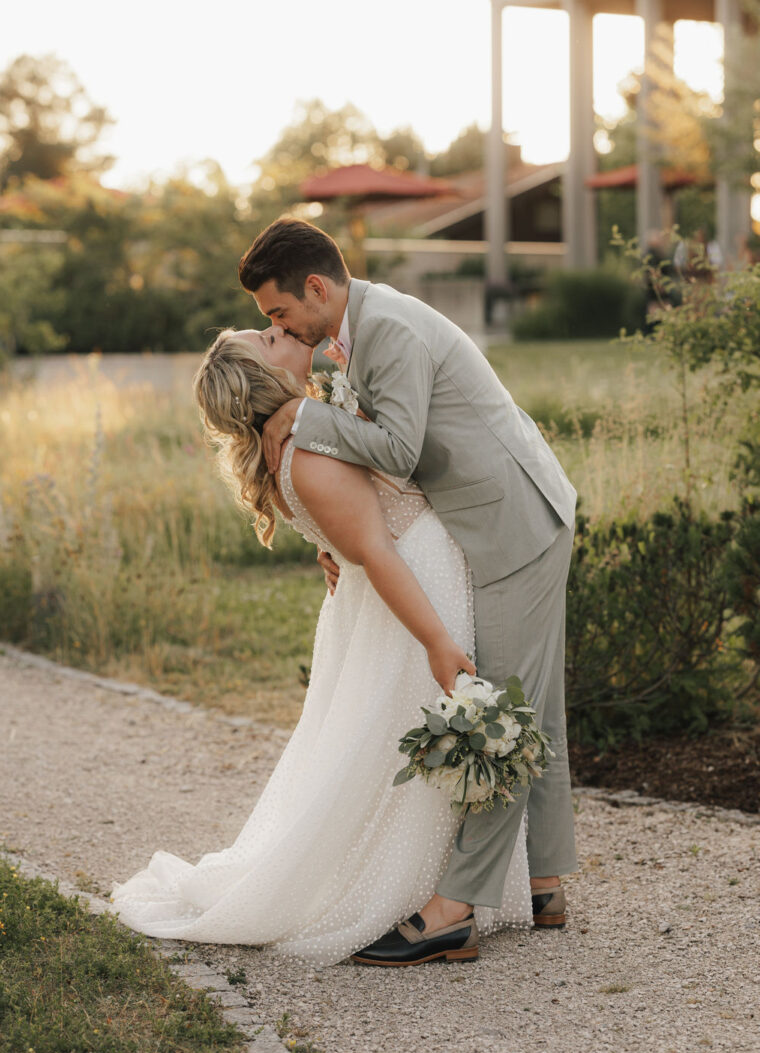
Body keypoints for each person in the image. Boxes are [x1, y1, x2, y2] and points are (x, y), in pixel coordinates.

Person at [109, 325, 533, 965]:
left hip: (393, 593)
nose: (278, 331)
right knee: (404, 734)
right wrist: (436, 641)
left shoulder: (303, 433)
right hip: (412, 589)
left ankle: (456, 889)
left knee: (381, 737)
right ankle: (416, 894)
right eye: (266, 337)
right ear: (266, 379)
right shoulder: (306, 451)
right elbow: (377, 548)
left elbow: (349, 521)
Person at [240, 217, 579, 965]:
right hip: (509, 517)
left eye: (278, 312)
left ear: (317, 288)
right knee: (533, 705)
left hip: (512, 526)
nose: (280, 326)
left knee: (502, 713)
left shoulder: (386, 328)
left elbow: (397, 446)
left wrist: (306, 415)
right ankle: (545, 881)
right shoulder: (359, 332)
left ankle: (454, 910)